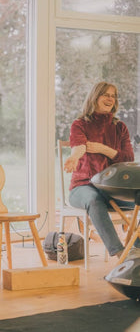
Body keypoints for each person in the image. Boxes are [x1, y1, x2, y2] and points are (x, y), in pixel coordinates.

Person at [64, 81, 140, 259]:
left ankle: (136, 249)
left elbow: (128, 159)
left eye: (113, 96)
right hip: (83, 188)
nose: (110, 99)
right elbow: (80, 146)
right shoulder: (80, 124)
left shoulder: (120, 127)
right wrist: (74, 158)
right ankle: (120, 254)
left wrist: (101, 148)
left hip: (113, 190)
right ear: (95, 97)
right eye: (106, 94)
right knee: (94, 199)